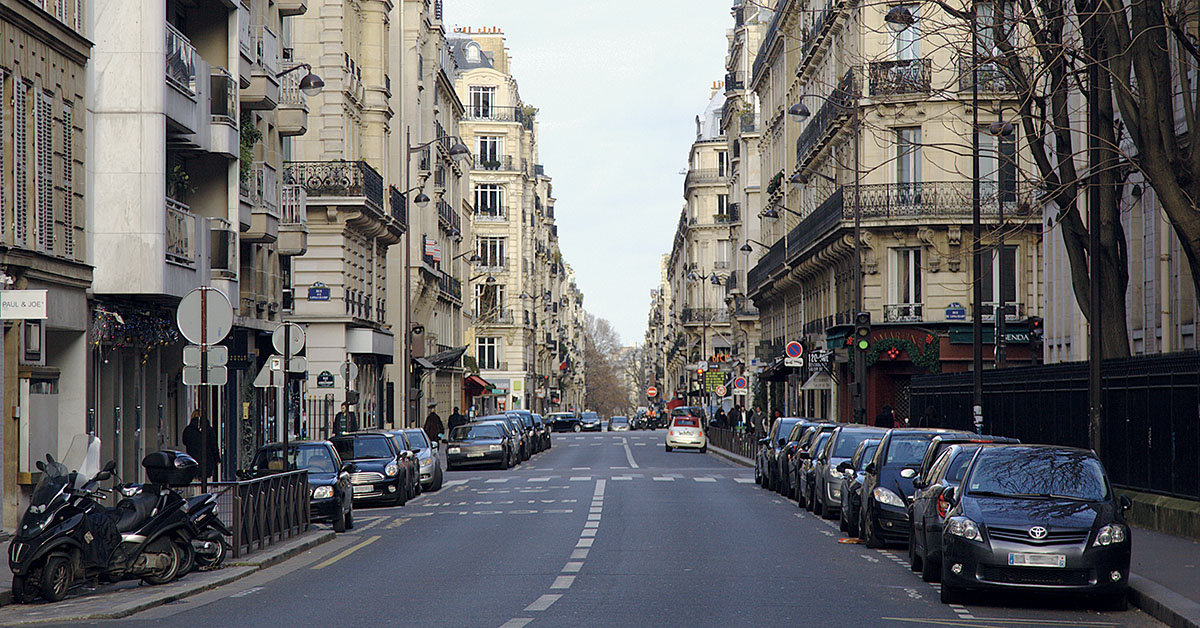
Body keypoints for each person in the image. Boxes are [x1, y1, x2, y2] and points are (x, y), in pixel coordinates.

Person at [182, 410, 219, 479]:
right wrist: (217, 459)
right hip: (207, 461)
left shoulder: (188, 430)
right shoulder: (209, 430)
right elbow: (214, 446)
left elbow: (184, 441)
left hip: (193, 461)